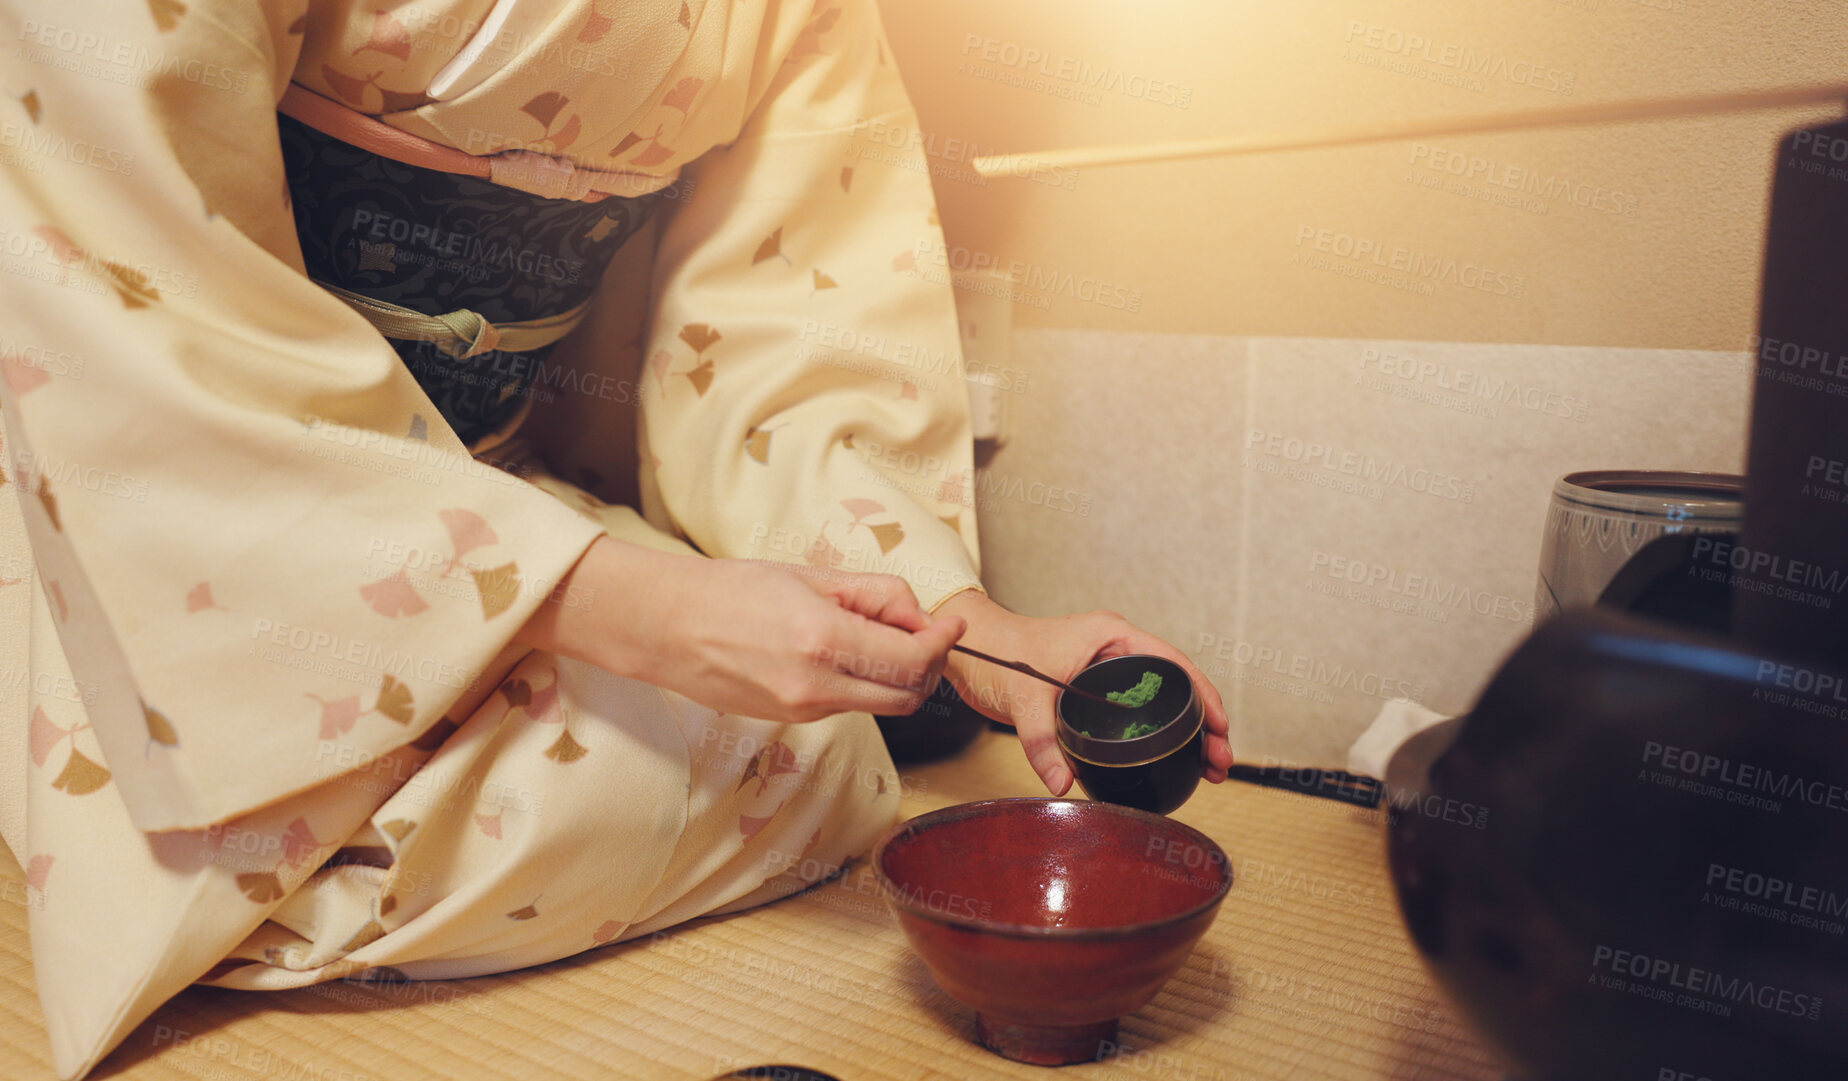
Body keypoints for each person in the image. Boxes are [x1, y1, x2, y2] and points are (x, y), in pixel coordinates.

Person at [0, 0, 1230, 1075]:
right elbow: (128, 287)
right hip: (180, 498)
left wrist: (975, 633)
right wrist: (647, 612)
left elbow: (791, 347)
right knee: (268, 845)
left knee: (807, 756)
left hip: (499, 496)